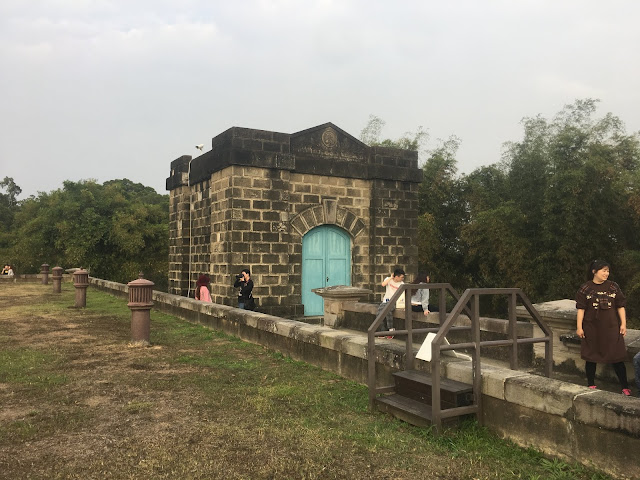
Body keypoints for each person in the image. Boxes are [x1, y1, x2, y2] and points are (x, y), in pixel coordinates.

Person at [575, 260, 631, 396]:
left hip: (611, 327)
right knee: (591, 356)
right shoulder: (585, 288)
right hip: (592, 327)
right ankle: (591, 384)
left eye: (608, 271)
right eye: (604, 271)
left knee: (617, 356)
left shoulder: (613, 286)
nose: (607, 273)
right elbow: (581, 309)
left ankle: (625, 387)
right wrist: (579, 327)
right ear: (594, 271)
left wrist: (623, 324)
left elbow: (620, 306)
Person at [376, 268, 405, 338]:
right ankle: (382, 330)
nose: (402, 279)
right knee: (379, 312)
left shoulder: (402, 284)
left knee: (388, 310)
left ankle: (390, 329)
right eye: (401, 277)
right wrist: (391, 277)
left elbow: (404, 295)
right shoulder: (389, 279)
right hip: (386, 300)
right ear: (396, 276)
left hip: (395, 302)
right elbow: (383, 284)